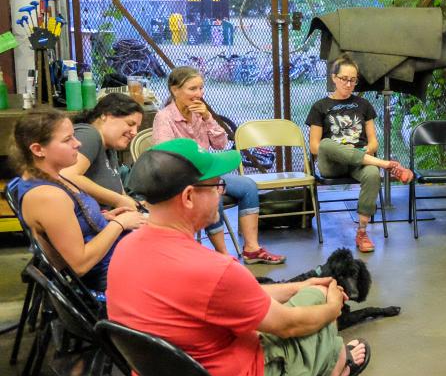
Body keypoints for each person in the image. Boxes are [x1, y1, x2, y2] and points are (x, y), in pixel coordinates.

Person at [107, 138, 370, 376]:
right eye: (217, 186)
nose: (222, 192)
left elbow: (229, 300)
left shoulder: (127, 248)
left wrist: (297, 285)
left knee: (305, 296)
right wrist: (331, 305)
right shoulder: (213, 269)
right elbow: (290, 325)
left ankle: (326, 368)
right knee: (326, 337)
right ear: (187, 197)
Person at [153, 66, 285, 264]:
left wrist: (207, 118)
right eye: (192, 89)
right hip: (184, 179)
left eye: (201, 88)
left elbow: (221, 144)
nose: (199, 94)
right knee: (213, 194)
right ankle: (223, 255)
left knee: (248, 186)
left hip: (208, 174)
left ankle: (251, 249)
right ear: (175, 89)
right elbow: (167, 156)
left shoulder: (200, 113)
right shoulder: (164, 117)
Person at [9, 107, 146, 291]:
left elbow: (68, 223)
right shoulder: (48, 196)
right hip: (109, 276)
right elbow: (79, 265)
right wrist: (119, 224)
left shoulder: (51, 176)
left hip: (117, 257)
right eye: (67, 140)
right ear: (38, 149)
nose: (78, 144)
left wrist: (102, 217)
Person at [307, 54, 413, 254]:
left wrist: (365, 150)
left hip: (360, 161)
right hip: (332, 165)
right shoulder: (320, 107)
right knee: (327, 143)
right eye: (344, 79)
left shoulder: (363, 105)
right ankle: (386, 164)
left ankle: (362, 232)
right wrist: (354, 153)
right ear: (334, 77)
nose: (348, 84)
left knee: (372, 174)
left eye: (353, 80)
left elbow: (373, 141)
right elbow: (315, 147)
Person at [61, 93, 143, 211]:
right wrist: (119, 201)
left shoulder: (110, 147)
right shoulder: (89, 134)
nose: (134, 132)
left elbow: (121, 194)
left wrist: (136, 204)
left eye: (137, 128)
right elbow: (67, 175)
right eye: (130, 124)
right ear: (105, 115)